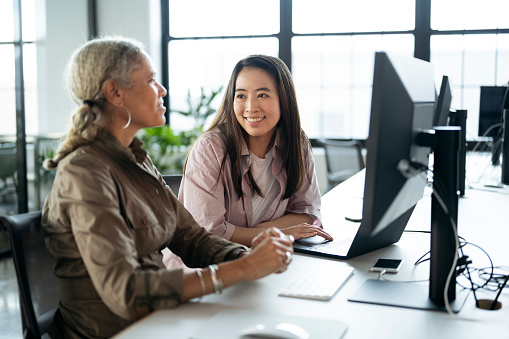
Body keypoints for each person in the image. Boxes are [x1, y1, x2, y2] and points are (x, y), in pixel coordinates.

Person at [41, 37, 294, 339]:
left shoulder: (137, 160)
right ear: (115, 92)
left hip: (161, 321)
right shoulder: (84, 173)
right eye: (151, 80)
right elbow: (128, 293)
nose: (162, 90)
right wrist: (241, 270)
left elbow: (191, 237)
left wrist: (248, 259)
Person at [176, 55, 332, 247]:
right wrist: (278, 233)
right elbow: (208, 232)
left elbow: (308, 213)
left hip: (264, 260)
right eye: (241, 96)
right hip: (206, 269)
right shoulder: (210, 148)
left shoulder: (296, 143)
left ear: (284, 99)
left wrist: (247, 234)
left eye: (262, 95)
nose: (251, 107)